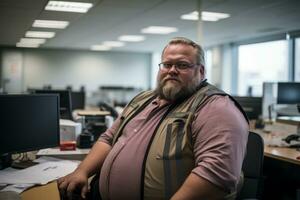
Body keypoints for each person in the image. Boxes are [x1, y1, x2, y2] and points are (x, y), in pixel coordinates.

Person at [58, 37, 249, 200]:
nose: (172, 70)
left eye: (182, 65)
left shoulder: (216, 107)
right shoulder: (143, 99)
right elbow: (109, 138)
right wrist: (81, 171)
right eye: (166, 64)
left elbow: (216, 175)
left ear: (201, 71)